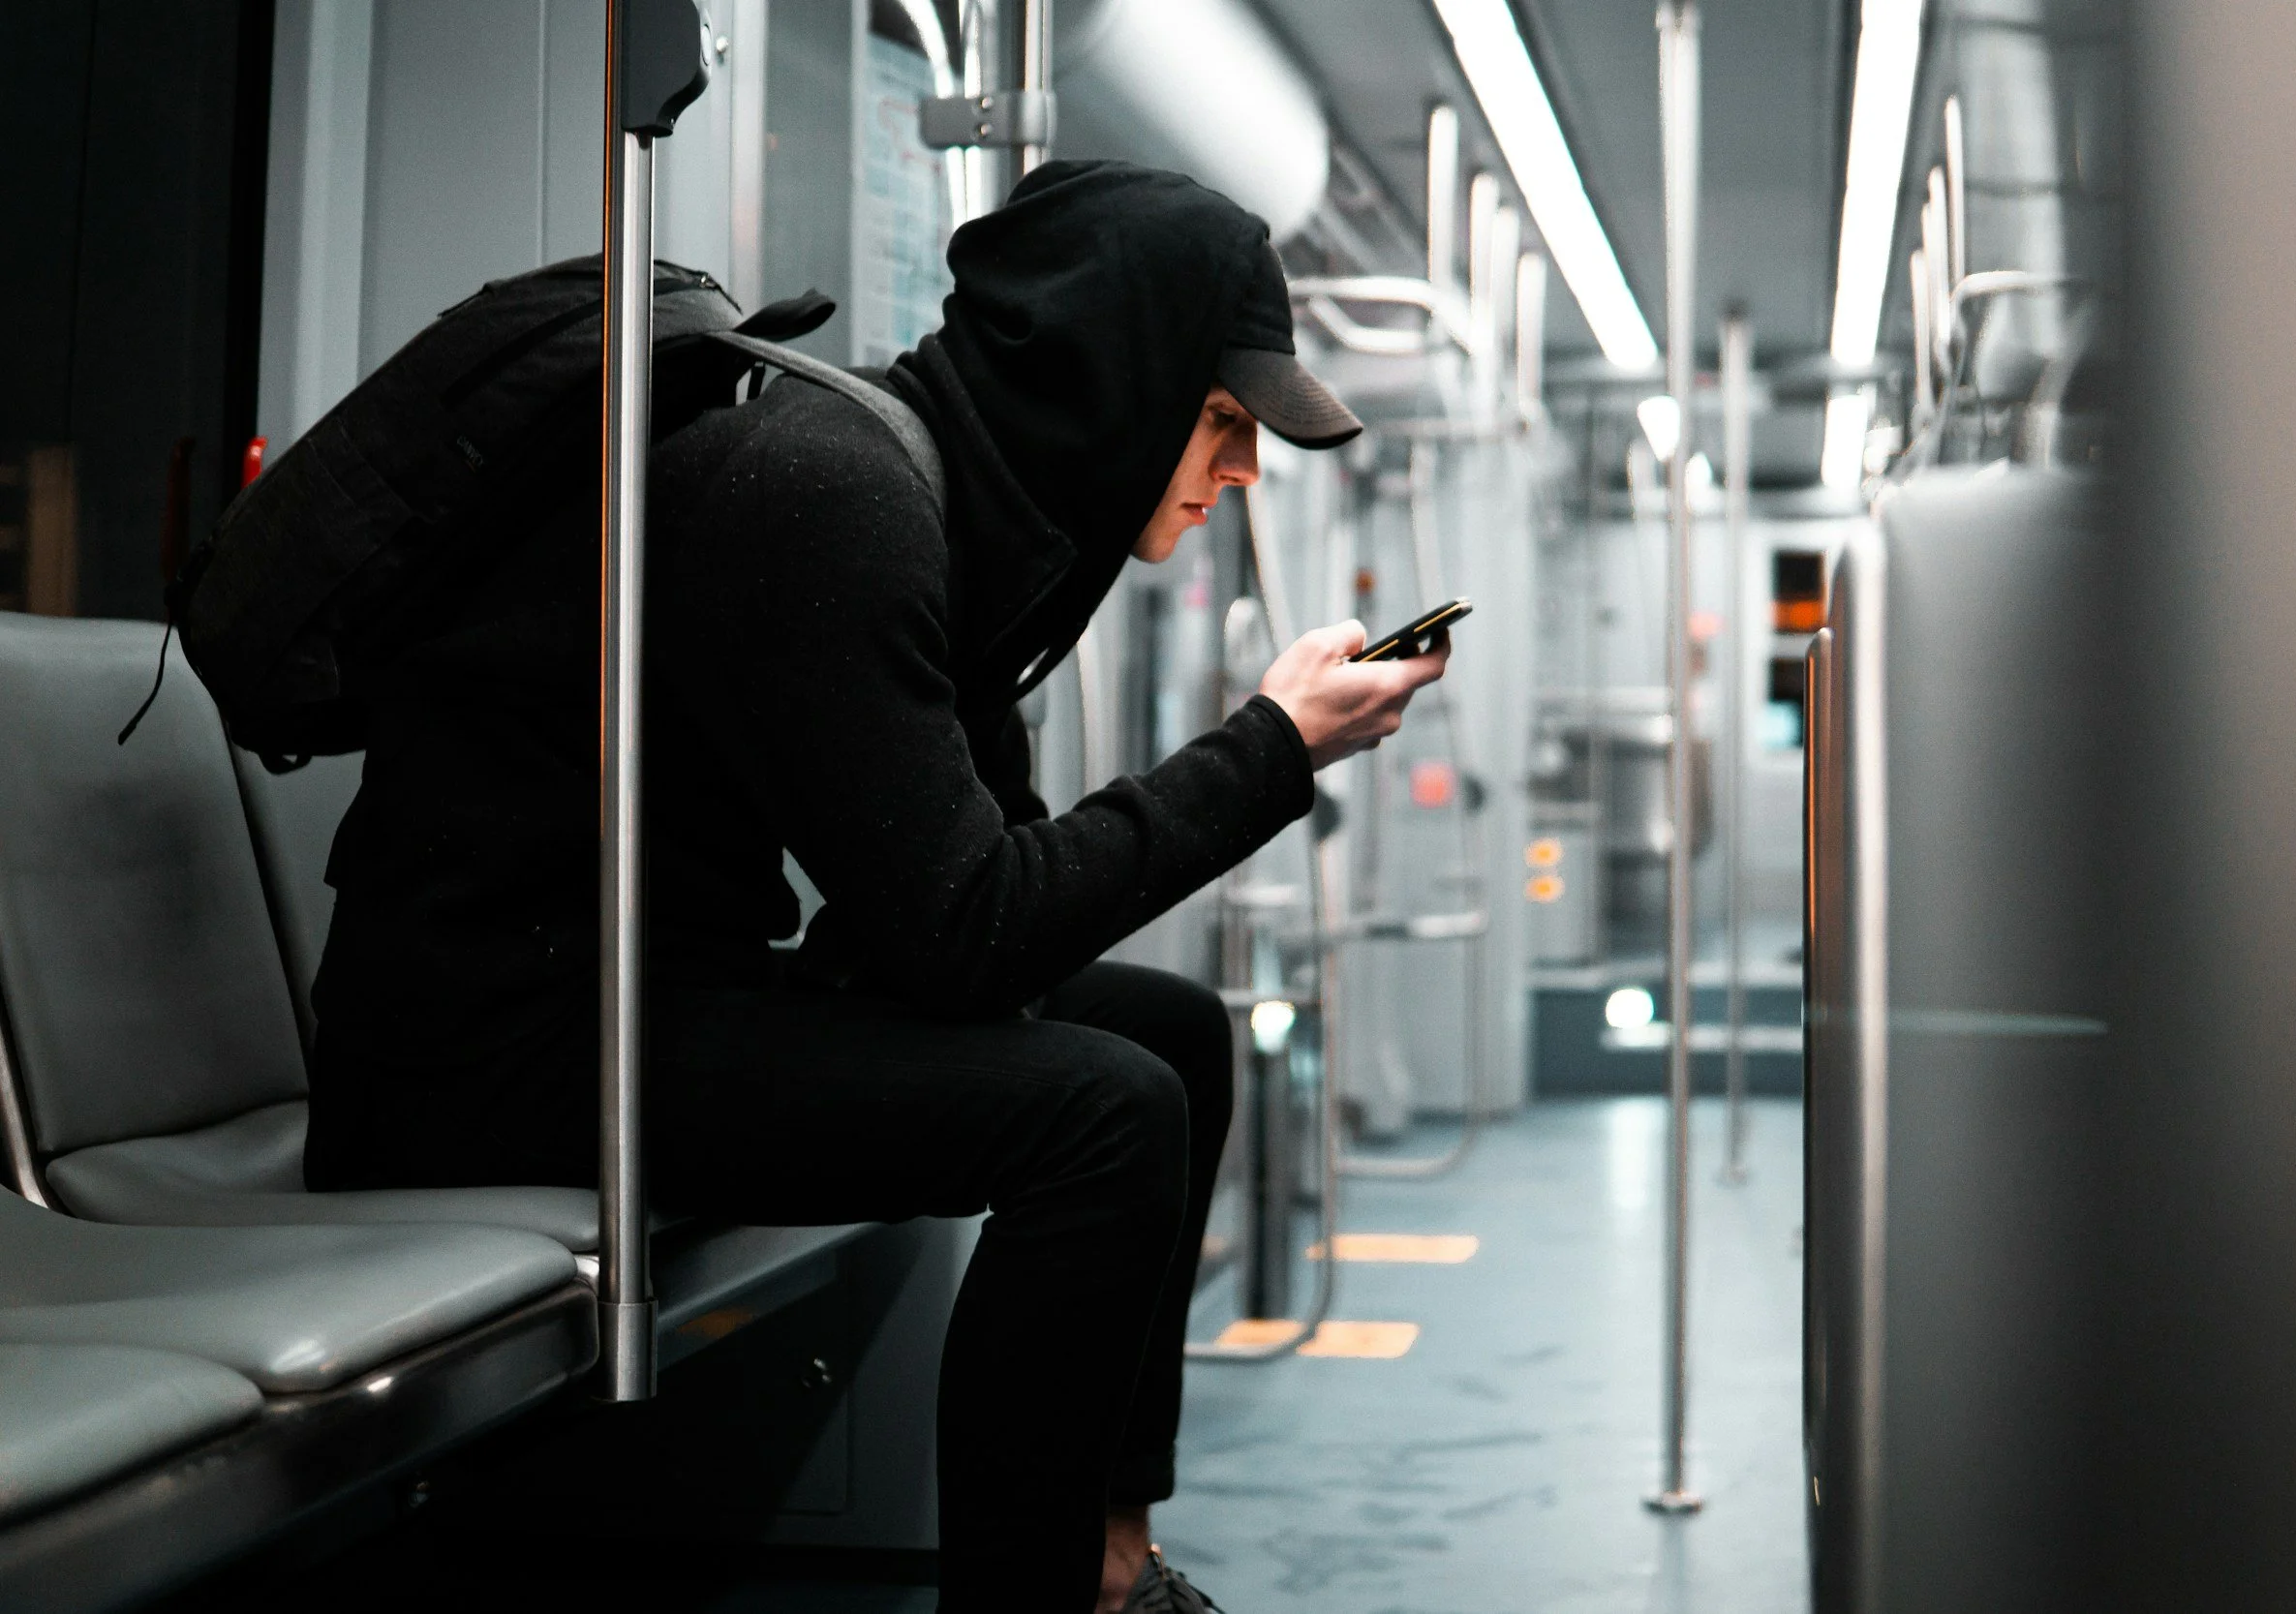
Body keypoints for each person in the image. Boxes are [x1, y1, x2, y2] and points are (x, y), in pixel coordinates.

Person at [304, 161, 1449, 1610]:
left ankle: (1110, 1558)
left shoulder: (937, 509)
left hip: (638, 999)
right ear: (1106, 385)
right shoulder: (824, 497)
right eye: (1223, 422)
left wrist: (1245, 758)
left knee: (1172, 1033)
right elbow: (972, 935)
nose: (1241, 472)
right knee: (1108, 1113)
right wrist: (1269, 749)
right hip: (489, 1050)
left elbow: (982, 914)